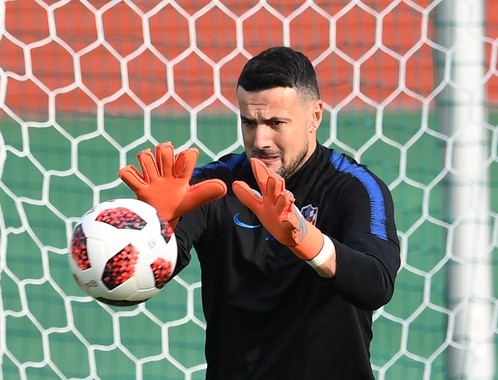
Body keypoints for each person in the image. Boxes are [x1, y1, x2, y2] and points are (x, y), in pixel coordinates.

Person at [119, 46, 401, 380]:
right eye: (249, 122)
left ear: (315, 116)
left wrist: (306, 240)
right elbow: (136, 284)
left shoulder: (355, 187)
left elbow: (376, 284)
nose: (260, 139)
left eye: (276, 123)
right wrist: (155, 229)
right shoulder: (213, 185)